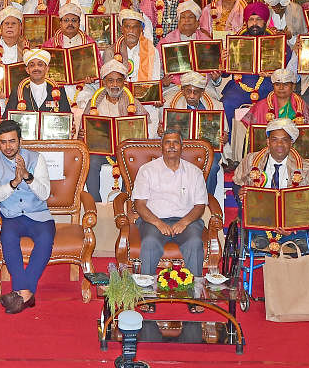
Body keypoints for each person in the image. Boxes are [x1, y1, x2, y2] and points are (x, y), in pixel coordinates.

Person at [0, 119, 53, 314]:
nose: (8, 147)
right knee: (8, 238)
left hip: (38, 214)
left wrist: (28, 177)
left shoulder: (36, 158)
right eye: (3, 142)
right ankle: (26, 294)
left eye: (12, 141)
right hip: (11, 216)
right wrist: (14, 182)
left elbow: (45, 194)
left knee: (46, 239)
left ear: (20, 141)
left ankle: (21, 293)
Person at [232, 118, 309, 250]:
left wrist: (293, 226)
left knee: (299, 244)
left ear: (291, 142)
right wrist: (239, 193)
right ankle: (262, 237)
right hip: (259, 220)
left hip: (292, 223)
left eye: (284, 140)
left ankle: (292, 239)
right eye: (274, 139)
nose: (279, 144)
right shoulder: (251, 160)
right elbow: (237, 183)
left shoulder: (306, 168)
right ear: (268, 142)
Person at [132, 131, 208, 280]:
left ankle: (194, 295)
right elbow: (139, 205)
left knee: (194, 242)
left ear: (182, 147)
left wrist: (184, 222)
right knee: (150, 242)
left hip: (187, 221)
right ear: (161, 147)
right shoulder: (147, 170)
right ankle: (147, 295)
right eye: (167, 142)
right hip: (153, 221)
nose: (172, 146)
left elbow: (200, 205)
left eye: (176, 142)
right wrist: (158, 223)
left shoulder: (195, 172)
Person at [78, 59, 143, 200]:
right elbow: (83, 130)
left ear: (124, 83)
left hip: (124, 150)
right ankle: (95, 204)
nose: (114, 85)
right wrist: (82, 134)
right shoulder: (94, 103)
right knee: (92, 161)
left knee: (132, 159)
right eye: (110, 81)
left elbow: (142, 129)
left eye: (118, 81)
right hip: (101, 151)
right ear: (104, 82)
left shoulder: (133, 103)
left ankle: (125, 200)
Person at [164, 71, 227, 198]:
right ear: (182, 90)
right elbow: (164, 134)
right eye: (188, 91)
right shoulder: (170, 105)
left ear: (202, 92)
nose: (192, 96)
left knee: (213, 167)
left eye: (196, 92)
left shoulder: (216, 106)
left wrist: (224, 139)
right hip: (181, 150)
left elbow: (224, 133)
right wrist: (162, 132)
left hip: (208, 150)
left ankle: (206, 201)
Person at [6, 49, 72, 113]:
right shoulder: (17, 91)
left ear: (47, 69)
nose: (36, 68)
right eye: (32, 65)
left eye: (40, 65)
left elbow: (67, 118)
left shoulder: (59, 91)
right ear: (27, 70)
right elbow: (7, 119)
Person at [113, 9, 162, 83]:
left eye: (135, 27)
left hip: (145, 92)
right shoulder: (112, 51)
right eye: (127, 26)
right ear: (122, 29)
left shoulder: (152, 51)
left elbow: (155, 80)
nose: (131, 30)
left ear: (141, 29)